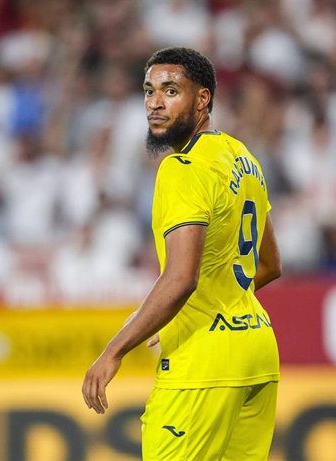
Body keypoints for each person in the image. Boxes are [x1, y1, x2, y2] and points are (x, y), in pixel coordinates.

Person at [82, 47, 282, 460]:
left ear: (202, 99)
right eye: (149, 91)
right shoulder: (241, 156)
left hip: (203, 366)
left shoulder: (181, 169)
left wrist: (113, 351)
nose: (155, 103)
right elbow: (269, 265)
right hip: (257, 353)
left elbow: (181, 278)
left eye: (171, 91)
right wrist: (208, 306)